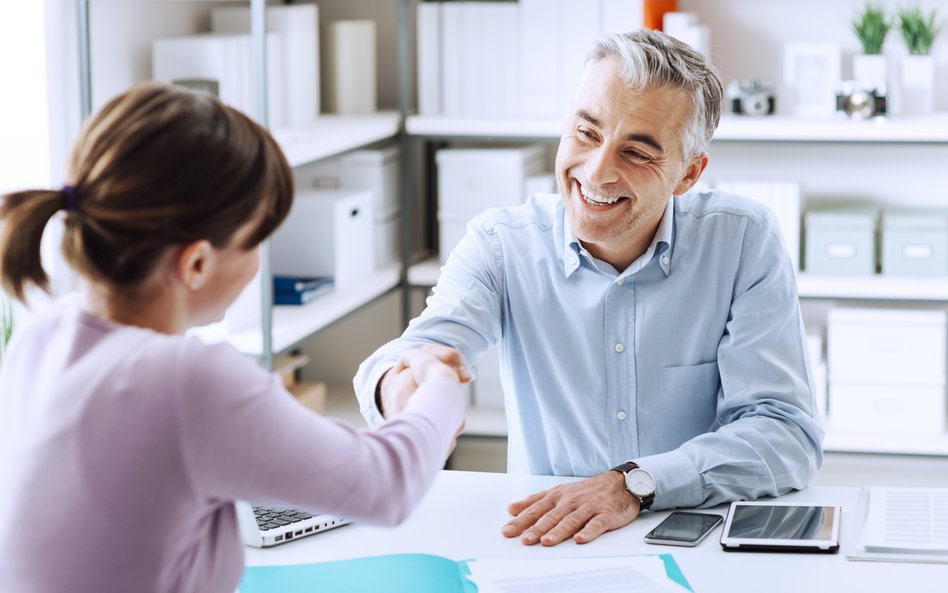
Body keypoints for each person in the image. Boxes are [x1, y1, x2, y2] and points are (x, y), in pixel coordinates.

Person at [355, 29, 823, 547]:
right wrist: (400, 386)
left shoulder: (741, 239)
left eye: (637, 153)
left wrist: (635, 485)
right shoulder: (501, 243)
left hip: (694, 541)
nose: (597, 172)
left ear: (688, 174)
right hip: (547, 542)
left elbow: (786, 435)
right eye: (586, 132)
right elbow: (419, 351)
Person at [0, 82, 466, 593]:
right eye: (256, 240)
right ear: (197, 262)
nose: (260, 261)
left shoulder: (38, 338)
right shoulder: (185, 380)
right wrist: (440, 384)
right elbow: (388, 485)